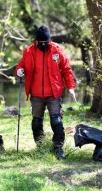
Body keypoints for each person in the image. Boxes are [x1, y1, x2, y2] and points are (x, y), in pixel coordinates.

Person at [15, 25, 76, 160]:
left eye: (46, 43)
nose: (43, 45)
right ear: (36, 41)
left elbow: (66, 69)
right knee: (36, 122)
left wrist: (71, 87)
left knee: (56, 121)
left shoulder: (57, 50)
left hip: (53, 93)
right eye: (40, 43)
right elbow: (21, 65)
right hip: (36, 94)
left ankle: (58, 148)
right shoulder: (29, 51)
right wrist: (19, 71)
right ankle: (41, 147)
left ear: (50, 40)